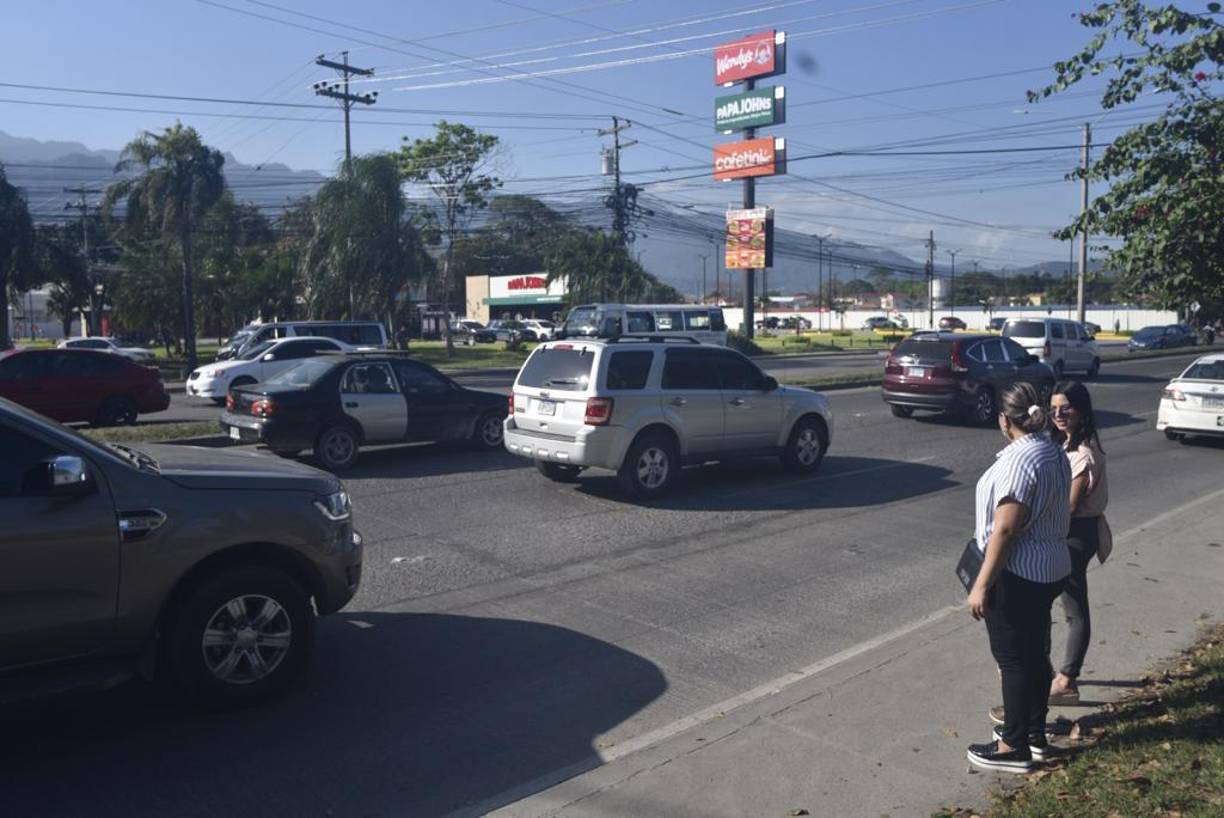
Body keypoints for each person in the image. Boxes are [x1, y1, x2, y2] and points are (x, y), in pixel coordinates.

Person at [966, 382, 1071, 773]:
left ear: (1003, 421)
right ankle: (1033, 734)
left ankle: (1013, 747)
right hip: (1049, 567)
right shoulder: (1051, 451)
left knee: (1012, 659)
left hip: (1018, 574)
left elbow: (1006, 529)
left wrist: (981, 583)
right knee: (1032, 652)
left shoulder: (1019, 461)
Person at [1046, 381, 1108, 705]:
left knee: (1072, 607)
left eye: (1065, 408)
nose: (1058, 414)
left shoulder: (1083, 453)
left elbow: (1067, 507)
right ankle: (1055, 671)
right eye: (1054, 408)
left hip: (1074, 535)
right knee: (1064, 603)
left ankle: (1067, 679)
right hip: (1069, 532)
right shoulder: (1069, 443)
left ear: (1081, 411)